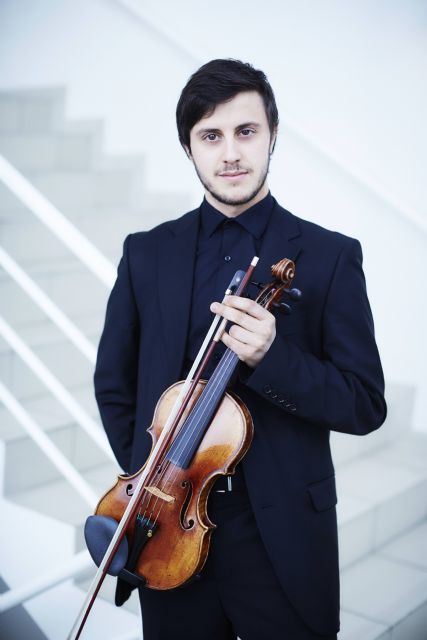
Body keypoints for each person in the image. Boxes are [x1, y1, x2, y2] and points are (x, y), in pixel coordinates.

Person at [94, 59, 386, 640]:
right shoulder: (146, 254)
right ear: (189, 147)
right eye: (211, 135)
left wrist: (274, 357)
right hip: (165, 530)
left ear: (273, 134)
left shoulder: (329, 257)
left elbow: (364, 403)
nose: (230, 153)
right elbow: (115, 383)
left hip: (279, 536)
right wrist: (155, 482)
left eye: (246, 132)